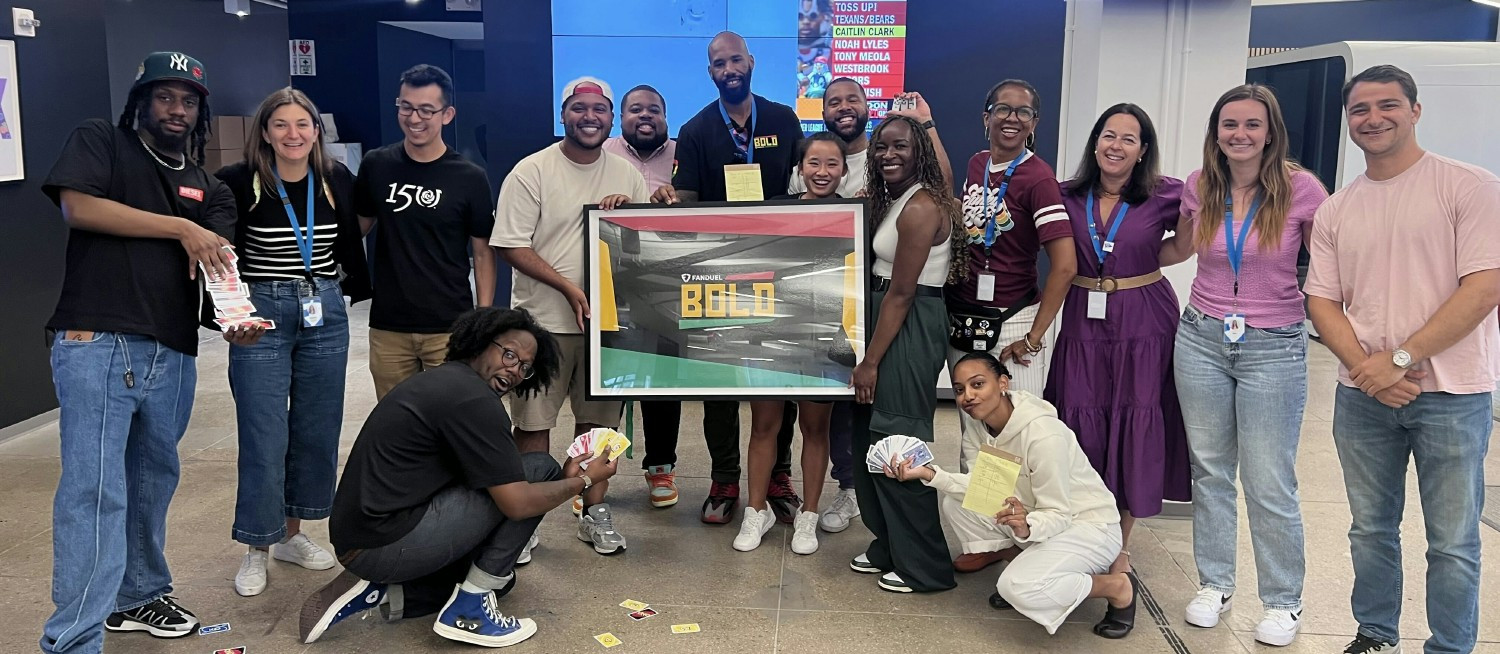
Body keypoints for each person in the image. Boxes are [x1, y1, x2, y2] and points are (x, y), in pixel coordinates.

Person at [39, 51, 238, 652]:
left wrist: (236, 316)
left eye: (188, 100)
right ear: (141, 100)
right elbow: (80, 207)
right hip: (98, 337)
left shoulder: (207, 185)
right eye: (164, 96)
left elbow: (218, 265)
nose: (176, 109)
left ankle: (139, 594)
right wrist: (181, 227)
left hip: (172, 349)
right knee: (94, 490)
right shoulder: (101, 141)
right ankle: (72, 640)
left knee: (152, 480)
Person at [1306, 65, 1500, 654]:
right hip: (1363, 398)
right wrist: (1370, 372)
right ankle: (1376, 633)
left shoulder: (1468, 187)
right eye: (1360, 109)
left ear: (1415, 110)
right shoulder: (1338, 208)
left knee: (1452, 539)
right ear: (1349, 121)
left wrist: (1400, 358)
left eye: (1387, 105)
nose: (1373, 118)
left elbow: (1485, 286)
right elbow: (1321, 299)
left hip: (1453, 395)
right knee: (1370, 529)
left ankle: (1449, 646)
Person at [300, 308, 622, 648]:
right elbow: (517, 504)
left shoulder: (448, 381)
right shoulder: (475, 401)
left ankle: (388, 593)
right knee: (540, 468)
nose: (514, 370)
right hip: (383, 542)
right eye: (509, 354)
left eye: (525, 367)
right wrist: (583, 482)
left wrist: (566, 480)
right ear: (481, 343)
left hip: (362, 535)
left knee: (503, 581)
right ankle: (468, 611)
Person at [1160, 83, 1328, 647]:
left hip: (1274, 343)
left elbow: (1330, 268)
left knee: (1268, 479)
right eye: (1229, 124)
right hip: (1202, 335)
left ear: (1270, 132)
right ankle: (1215, 584)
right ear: (1216, 133)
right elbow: (1181, 248)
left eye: (1252, 125)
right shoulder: (1199, 185)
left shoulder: (1303, 190)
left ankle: (1283, 601)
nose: (1240, 134)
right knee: (1209, 471)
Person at [214, 87, 373, 598]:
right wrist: (228, 312)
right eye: (281, 125)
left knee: (316, 426)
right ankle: (256, 546)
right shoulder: (238, 182)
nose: (293, 134)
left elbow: (354, 232)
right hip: (261, 311)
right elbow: (217, 252)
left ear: (316, 132)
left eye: (302, 125)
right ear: (265, 132)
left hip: (324, 307)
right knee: (263, 431)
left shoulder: (334, 179)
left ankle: (292, 536)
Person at [650, 31, 807, 525]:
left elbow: (803, 186)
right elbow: (689, 197)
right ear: (711, 71)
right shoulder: (696, 130)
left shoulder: (783, 119)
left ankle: (778, 473)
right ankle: (724, 478)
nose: (728, 69)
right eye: (718, 63)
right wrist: (671, 203)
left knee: (779, 375)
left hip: (780, 269)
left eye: (735, 59)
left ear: (751, 62)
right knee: (719, 380)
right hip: (717, 272)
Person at [490, 77, 648, 556]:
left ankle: (593, 511)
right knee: (534, 426)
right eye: (579, 108)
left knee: (598, 430)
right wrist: (568, 287)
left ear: (610, 119)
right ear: (564, 115)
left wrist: (627, 216)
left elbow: (645, 245)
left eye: (598, 110)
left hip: (606, 328)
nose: (589, 117)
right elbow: (511, 244)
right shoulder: (531, 171)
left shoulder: (627, 175)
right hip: (543, 327)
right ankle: (526, 520)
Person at [890, 352, 1136, 638]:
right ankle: (1022, 559)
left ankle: (1116, 587)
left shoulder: (1043, 434)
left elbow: (1058, 512)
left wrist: (1027, 525)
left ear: (1003, 383)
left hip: (1088, 526)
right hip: (1034, 516)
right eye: (959, 390)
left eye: (977, 384)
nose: (967, 396)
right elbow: (982, 488)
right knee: (957, 503)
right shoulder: (976, 426)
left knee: (1016, 587)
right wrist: (930, 474)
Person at [1045, 104, 1190, 580]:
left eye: (1129, 139)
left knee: (1133, 424)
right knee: (1081, 427)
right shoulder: (1067, 195)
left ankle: (1117, 549)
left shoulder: (1166, 194)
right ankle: (1077, 533)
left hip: (1145, 322)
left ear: (1143, 150)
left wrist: (1144, 262)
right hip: (1084, 322)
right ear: (1095, 141)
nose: (1116, 146)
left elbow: (1180, 249)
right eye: (1109, 135)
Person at [939, 79, 1076, 574]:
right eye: (1002, 109)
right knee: (976, 433)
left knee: (1019, 433)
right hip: (970, 318)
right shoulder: (978, 165)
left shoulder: (1039, 179)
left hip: (1016, 320)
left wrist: (1035, 337)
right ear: (986, 115)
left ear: (1035, 123)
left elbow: (1063, 264)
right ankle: (987, 535)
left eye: (1023, 112)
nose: (1011, 119)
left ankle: (1035, 538)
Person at [847, 114, 959, 594]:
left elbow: (902, 293)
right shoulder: (894, 200)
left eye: (901, 147)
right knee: (869, 440)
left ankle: (926, 567)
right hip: (881, 321)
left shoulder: (922, 207)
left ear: (922, 153)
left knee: (897, 442)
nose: (889, 155)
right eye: (881, 147)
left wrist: (871, 361)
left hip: (906, 325)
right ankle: (889, 544)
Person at [732, 132, 848, 555]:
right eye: (814, 163)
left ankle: (809, 515)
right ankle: (755, 511)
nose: (822, 172)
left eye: (832, 164)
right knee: (764, 426)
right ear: (800, 168)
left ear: (844, 170)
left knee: (815, 429)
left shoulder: (856, 214)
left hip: (825, 340)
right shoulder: (774, 210)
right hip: (772, 335)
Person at [355, 64, 496, 399]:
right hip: (389, 326)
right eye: (406, 107)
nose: (414, 118)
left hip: (449, 326)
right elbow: (355, 229)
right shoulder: (376, 164)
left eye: (426, 110)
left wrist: (483, 318)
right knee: (394, 424)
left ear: (447, 114)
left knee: (449, 421)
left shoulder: (470, 177)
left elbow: (482, 250)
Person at [600, 84, 683, 509]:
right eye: (635, 110)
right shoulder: (603, 151)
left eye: (654, 109)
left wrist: (675, 201)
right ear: (621, 117)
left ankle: (661, 468)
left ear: (666, 117)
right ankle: (596, 470)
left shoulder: (681, 153)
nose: (645, 116)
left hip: (665, 286)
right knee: (609, 380)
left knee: (662, 380)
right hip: (611, 283)